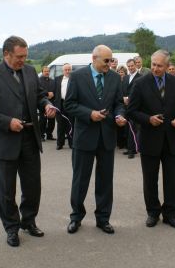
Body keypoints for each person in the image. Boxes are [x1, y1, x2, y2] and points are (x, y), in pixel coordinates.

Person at [0, 36, 56, 247]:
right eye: (19, 57)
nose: (23, 60)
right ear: (6, 54)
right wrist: (7, 122)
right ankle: (11, 228)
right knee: (6, 190)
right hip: (5, 142)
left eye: (25, 56)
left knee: (32, 187)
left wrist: (46, 104)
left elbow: (39, 95)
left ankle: (28, 221)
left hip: (30, 137)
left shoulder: (30, 71)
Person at [64, 45, 126, 235]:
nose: (110, 64)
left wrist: (119, 116)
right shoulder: (77, 76)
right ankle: (76, 217)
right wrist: (89, 114)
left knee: (105, 181)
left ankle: (103, 218)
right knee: (80, 180)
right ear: (94, 58)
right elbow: (69, 105)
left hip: (107, 137)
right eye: (106, 61)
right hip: (84, 137)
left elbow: (118, 104)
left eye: (111, 60)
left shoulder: (115, 77)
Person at [127, 49, 175, 229]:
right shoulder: (140, 83)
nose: (155, 68)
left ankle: (170, 214)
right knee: (150, 179)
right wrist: (148, 119)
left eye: (159, 66)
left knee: (170, 179)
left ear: (168, 66)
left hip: (171, 140)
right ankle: (153, 212)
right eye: (153, 64)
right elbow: (131, 111)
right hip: (149, 139)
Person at [121, 59, 141, 159]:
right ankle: (129, 148)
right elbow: (122, 90)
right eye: (128, 66)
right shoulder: (125, 78)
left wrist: (130, 98)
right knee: (127, 128)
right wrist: (123, 98)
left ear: (135, 65)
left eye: (132, 66)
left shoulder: (141, 77)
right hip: (125, 107)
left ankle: (132, 150)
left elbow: (141, 93)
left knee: (133, 129)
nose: (130, 68)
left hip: (135, 107)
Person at [54, 63, 74, 150]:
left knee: (71, 124)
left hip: (70, 104)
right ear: (63, 71)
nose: (67, 71)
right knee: (60, 125)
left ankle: (72, 143)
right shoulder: (57, 79)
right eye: (66, 70)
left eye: (69, 69)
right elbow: (55, 92)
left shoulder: (74, 79)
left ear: (71, 70)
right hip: (60, 104)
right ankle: (60, 143)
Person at [38, 66, 56, 141]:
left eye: (48, 71)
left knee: (52, 120)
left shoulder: (52, 81)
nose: (47, 72)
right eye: (45, 71)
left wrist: (53, 93)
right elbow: (38, 91)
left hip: (52, 102)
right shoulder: (38, 81)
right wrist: (47, 94)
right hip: (42, 103)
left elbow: (55, 90)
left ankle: (49, 134)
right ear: (42, 72)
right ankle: (41, 135)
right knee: (43, 120)